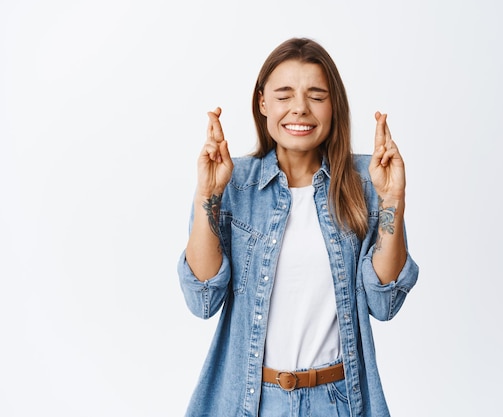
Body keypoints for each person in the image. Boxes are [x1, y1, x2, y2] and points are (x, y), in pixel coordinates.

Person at [178, 37, 419, 417]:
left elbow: (385, 303)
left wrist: (392, 201)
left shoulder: (367, 181)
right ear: (263, 103)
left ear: (333, 105)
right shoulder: (233, 183)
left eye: (316, 95)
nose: (300, 109)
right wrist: (207, 194)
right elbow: (202, 299)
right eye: (284, 95)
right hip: (252, 400)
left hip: (339, 401)